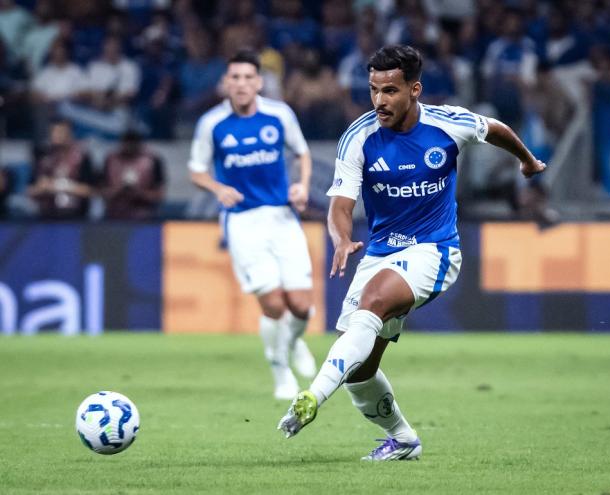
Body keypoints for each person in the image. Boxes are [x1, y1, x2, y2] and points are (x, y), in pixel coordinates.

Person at [277, 45, 546, 460]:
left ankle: (311, 396)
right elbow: (341, 206)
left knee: (372, 301)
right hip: (380, 254)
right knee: (359, 371)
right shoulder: (359, 137)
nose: (379, 100)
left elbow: (494, 129)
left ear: (414, 90)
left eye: (389, 90)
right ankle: (403, 439)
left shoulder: (447, 123)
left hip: (435, 250)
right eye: (373, 90)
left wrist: (526, 160)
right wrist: (342, 239)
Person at [187, 50, 317, 400]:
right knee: (273, 305)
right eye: (235, 77)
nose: (241, 84)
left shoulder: (279, 114)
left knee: (301, 306)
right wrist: (217, 188)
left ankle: (293, 341)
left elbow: (302, 152)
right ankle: (280, 370)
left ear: (259, 82)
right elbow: (196, 170)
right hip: (243, 221)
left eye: (248, 77)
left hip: (282, 217)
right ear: (225, 83)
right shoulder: (212, 123)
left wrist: (302, 186)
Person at [27, 119, 95, 220]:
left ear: (69, 134)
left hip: (75, 218)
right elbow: (30, 190)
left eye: (60, 132)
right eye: (53, 132)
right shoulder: (42, 157)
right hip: (46, 218)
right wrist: (42, 188)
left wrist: (61, 186)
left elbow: (90, 191)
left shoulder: (82, 158)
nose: (56, 136)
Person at [100, 130, 165, 220]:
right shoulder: (110, 159)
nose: (129, 148)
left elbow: (159, 195)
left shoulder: (152, 160)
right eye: (127, 144)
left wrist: (139, 193)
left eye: (133, 145)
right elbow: (101, 191)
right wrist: (120, 190)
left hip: (145, 216)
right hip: (114, 215)